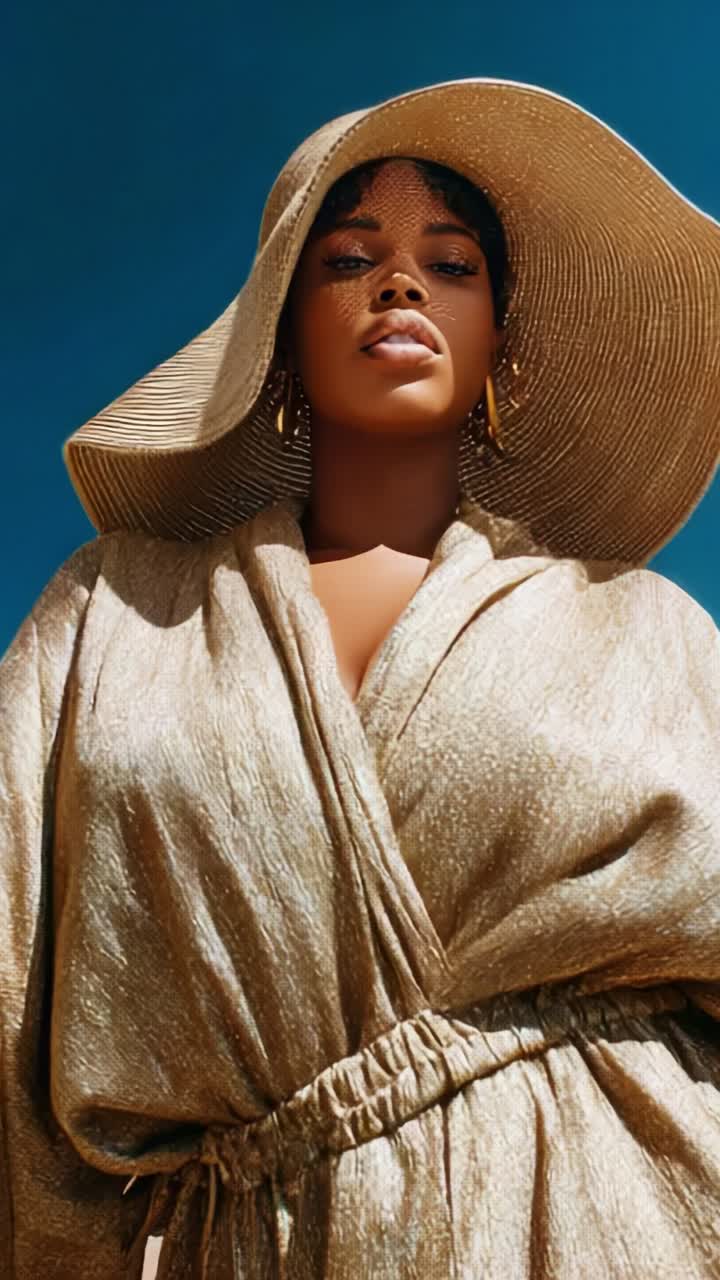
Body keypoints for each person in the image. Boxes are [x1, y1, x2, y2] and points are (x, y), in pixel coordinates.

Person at [1, 77, 719, 1279]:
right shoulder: (111, 618)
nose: (402, 282)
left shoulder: (649, 631)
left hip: (619, 1220)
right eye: (351, 257)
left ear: (504, 349)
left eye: (451, 264)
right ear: (278, 339)